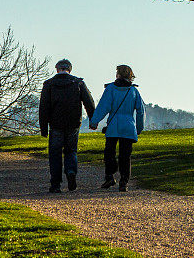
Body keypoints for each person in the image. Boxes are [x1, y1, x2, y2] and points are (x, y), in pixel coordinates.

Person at [39, 59, 95, 193]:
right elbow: (89, 102)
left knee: (55, 154)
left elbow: (44, 107)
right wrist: (93, 120)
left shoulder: (49, 84)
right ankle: (71, 172)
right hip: (73, 123)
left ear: (57, 69)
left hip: (55, 124)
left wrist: (43, 128)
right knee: (71, 151)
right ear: (70, 69)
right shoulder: (78, 83)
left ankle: (56, 184)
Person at [90, 64, 145, 192]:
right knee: (125, 156)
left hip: (113, 126)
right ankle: (124, 182)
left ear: (118, 75)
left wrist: (94, 121)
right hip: (128, 127)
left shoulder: (110, 89)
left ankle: (110, 175)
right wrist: (139, 128)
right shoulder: (134, 91)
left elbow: (103, 107)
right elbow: (141, 111)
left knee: (109, 152)